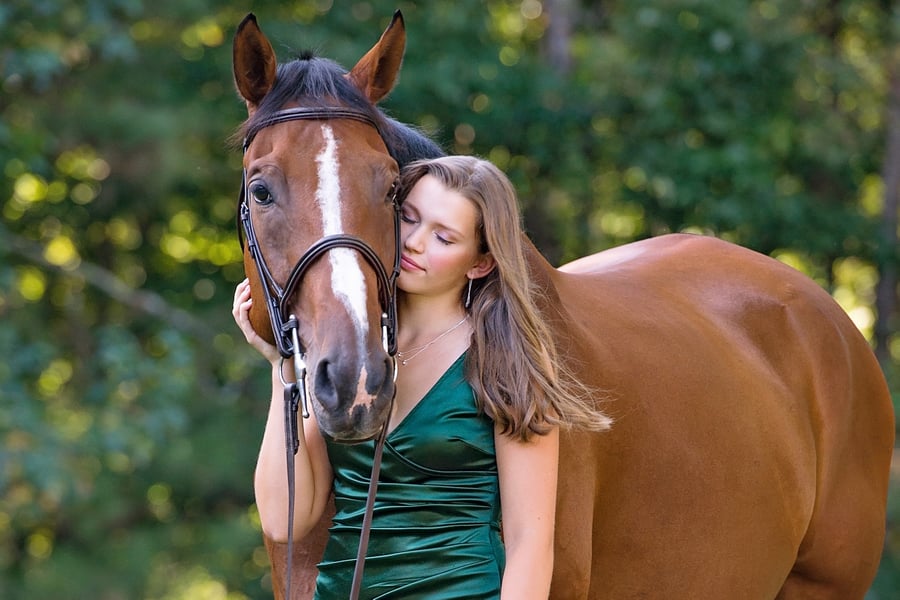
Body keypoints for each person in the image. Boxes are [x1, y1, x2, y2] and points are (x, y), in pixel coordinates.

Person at [233, 156, 610, 599]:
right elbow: (284, 520)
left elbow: (530, 544)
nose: (413, 242)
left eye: (443, 237)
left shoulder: (508, 359)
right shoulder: (354, 346)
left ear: (480, 263)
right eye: (408, 218)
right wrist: (285, 369)